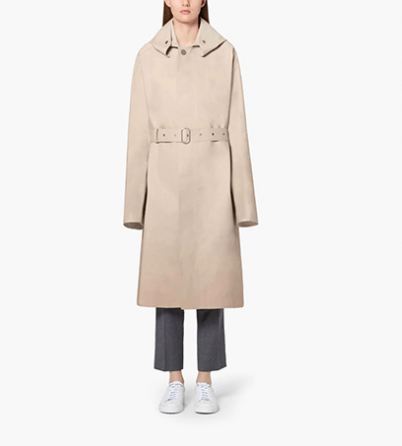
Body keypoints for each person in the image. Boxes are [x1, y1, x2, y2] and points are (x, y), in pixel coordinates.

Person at [123, 0, 258, 415]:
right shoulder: (147, 56)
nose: (184, 1)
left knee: (211, 282)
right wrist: (134, 204)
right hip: (164, 181)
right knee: (166, 284)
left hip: (213, 178)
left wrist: (244, 201)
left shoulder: (225, 52)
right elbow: (137, 132)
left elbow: (238, 125)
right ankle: (173, 379)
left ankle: (205, 380)